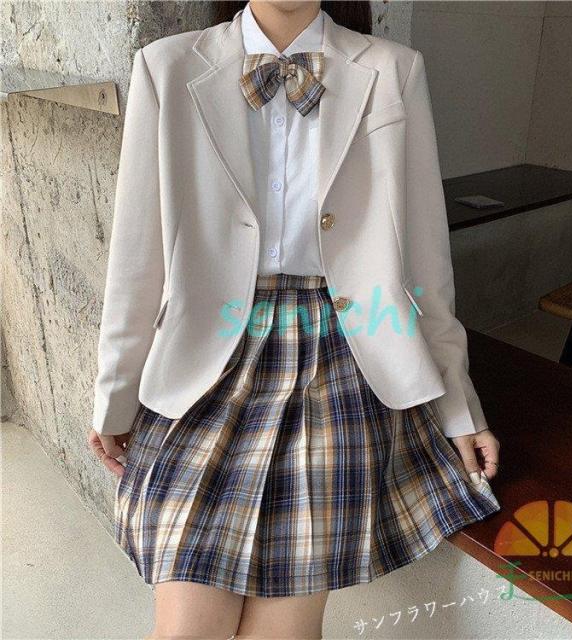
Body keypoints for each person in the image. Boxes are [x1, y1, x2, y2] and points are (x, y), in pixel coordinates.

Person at [87, 1, 501, 638]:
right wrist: (116, 395)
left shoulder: (394, 69)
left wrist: (459, 407)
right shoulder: (166, 67)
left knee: (285, 631)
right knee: (185, 628)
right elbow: (136, 256)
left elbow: (424, 260)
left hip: (339, 356)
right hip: (209, 357)